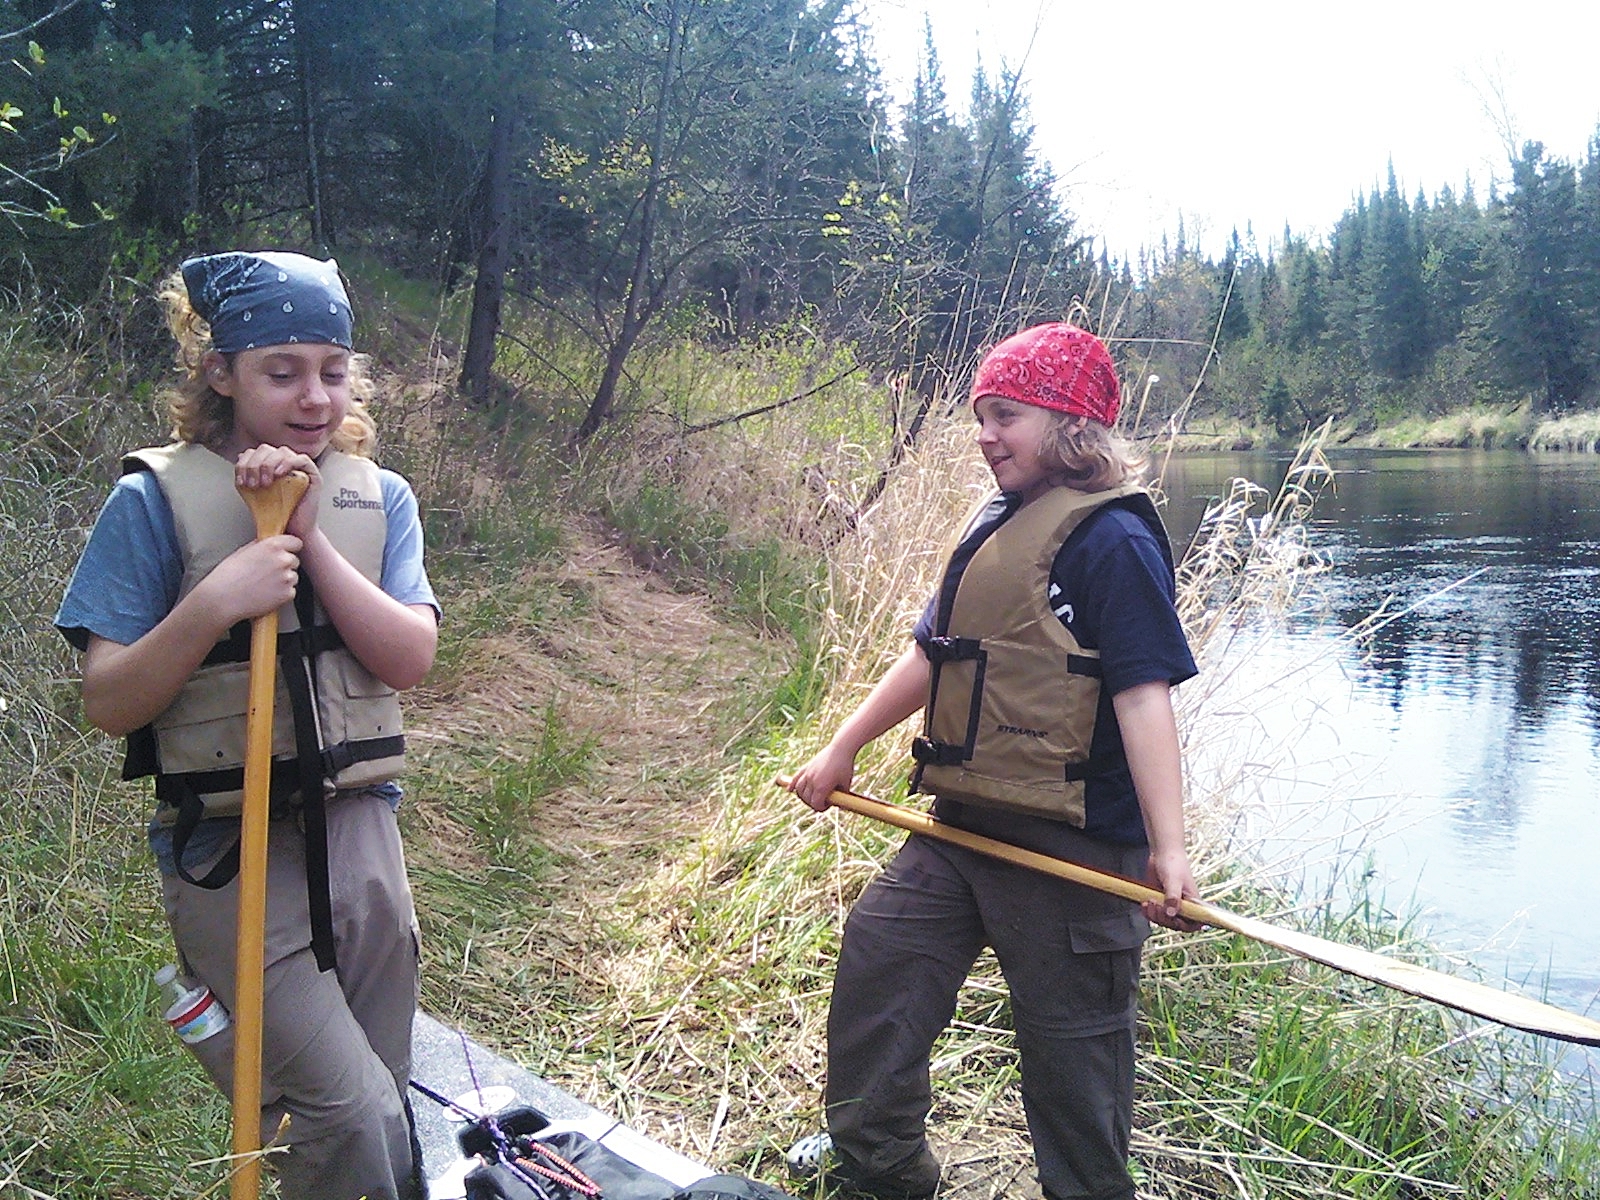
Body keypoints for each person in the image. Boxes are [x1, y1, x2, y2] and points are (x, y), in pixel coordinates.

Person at [55, 251, 439, 1200]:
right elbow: (109, 702)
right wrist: (217, 599)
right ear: (219, 372)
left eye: (333, 371)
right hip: (229, 848)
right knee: (347, 1110)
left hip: (361, 832)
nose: (314, 397)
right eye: (282, 371)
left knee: (385, 1097)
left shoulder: (378, 497)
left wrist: (305, 535)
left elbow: (408, 659)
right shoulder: (150, 502)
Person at [785, 322, 1200, 1200]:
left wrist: (1170, 849)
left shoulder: (1114, 542)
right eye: (980, 416)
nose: (985, 435)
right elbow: (933, 653)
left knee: (1073, 1067)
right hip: (962, 830)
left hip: (1078, 853)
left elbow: (1144, 694)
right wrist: (841, 747)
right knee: (881, 962)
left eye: (1005, 415)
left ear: (1071, 423)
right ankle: (883, 1170)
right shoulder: (994, 524)